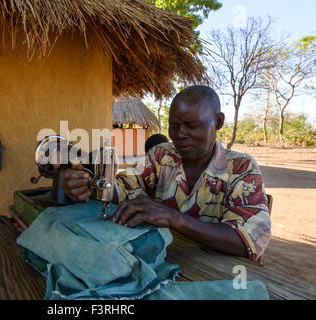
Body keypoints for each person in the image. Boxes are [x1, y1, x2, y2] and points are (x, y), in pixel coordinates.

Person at [61, 86, 271, 261]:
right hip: (161, 258)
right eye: (174, 126)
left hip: (214, 269)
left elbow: (247, 241)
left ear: (217, 122)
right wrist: (93, 186)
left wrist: (173, 218)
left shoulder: (241, 168)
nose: (180, 135)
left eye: (192, 125)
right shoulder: (161, 155)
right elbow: (125, 186)